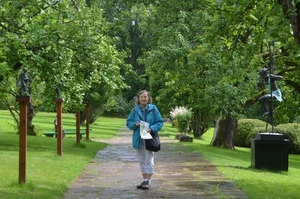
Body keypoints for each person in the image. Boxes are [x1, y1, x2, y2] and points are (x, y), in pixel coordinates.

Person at [126, 90, 164, 190]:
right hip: (138, 138)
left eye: (145, 97)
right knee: (142, 160)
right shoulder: (134, 110)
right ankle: (144, 180)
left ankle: (148, 181)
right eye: (142, 97)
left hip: (149, 138)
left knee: (149, 159)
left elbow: (159, 122)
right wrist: (135, 124)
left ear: (148, 98)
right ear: (138, 99)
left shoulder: (153, 109)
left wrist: (152, 128)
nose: (143, 98)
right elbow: (128, 122)